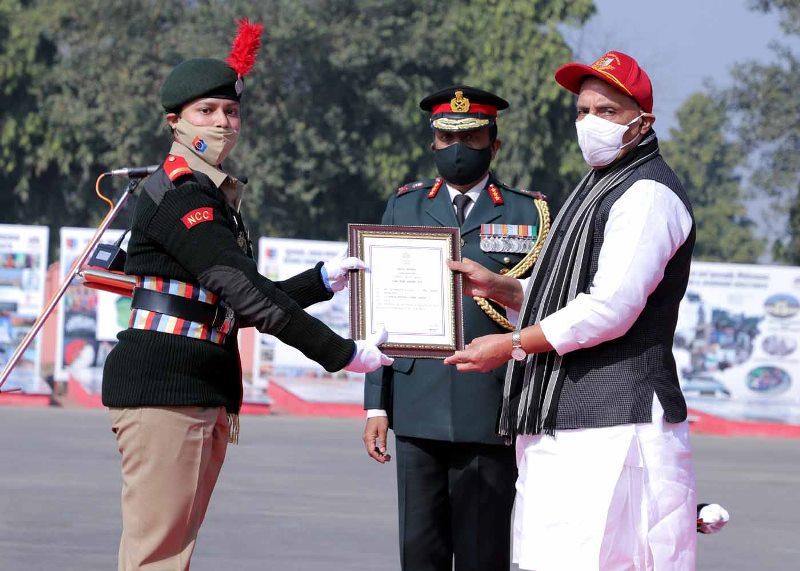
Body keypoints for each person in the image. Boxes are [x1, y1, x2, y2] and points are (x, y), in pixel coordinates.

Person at [101, 20, 391, 571]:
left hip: (194, 388)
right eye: (206, 111)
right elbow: (244, 290)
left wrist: (321, 279)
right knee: (157, 555)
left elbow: (226, 302)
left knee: (173, 552)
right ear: (175, 121)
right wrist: (344, 354)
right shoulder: (181, 192)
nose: (222, 122)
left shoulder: (209, 192)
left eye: (231, 112)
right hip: (167, 389)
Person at [444, 51, 698, 570]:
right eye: (582, 111)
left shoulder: (646, 194)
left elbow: (611, 308)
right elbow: (572, 292)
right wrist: (505, 289)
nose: (589, 123)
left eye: (607, 111)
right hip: (568, 424)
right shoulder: (598, 184)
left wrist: (512, 344)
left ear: (642, 123)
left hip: (615, 426)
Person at [363, 86, 549, 571]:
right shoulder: (404, 205)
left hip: (490, 403)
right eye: (447, 137)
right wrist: (375, 405)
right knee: (419, 552)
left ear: (495, 143)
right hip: (416, 399)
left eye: (472, 137)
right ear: (432, 143)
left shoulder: (530, 213)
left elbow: (546, 308)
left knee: (482, 554)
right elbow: (379, 309)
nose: (458, 149)